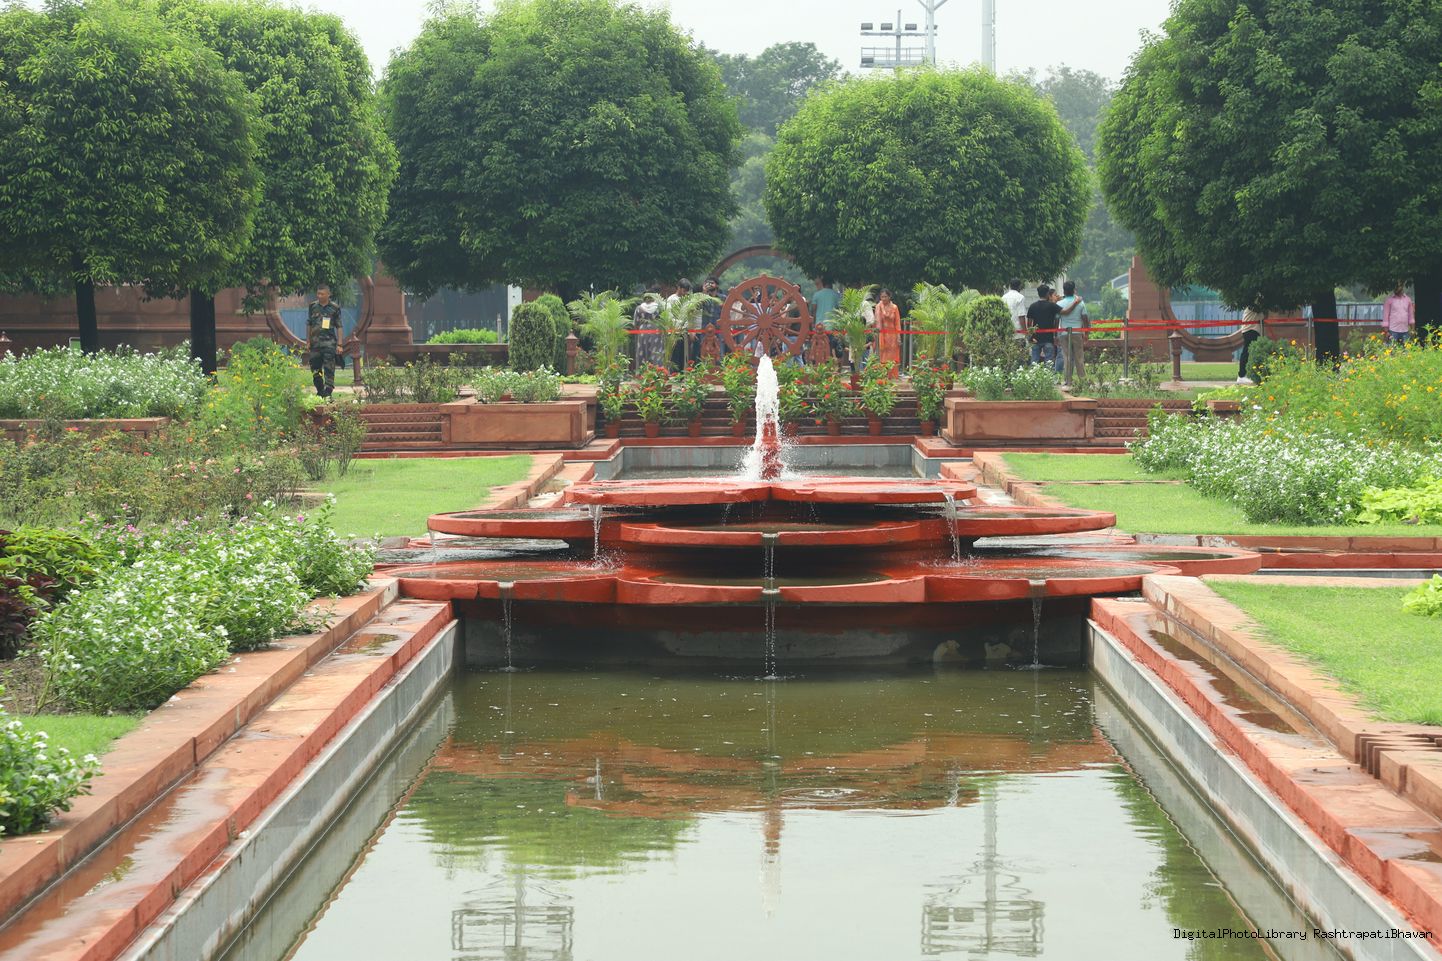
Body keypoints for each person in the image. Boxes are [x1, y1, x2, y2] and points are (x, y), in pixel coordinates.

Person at [307, 283, 343, 398]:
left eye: (322, 294)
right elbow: (309, 324)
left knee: (329, 368)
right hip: (315, 344)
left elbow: (339, 326)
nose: (319, 296)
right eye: (318, 293)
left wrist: (340, 344)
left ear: (328, 294)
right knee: (315, 368)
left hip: (329, 343)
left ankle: (328, 392)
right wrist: (308, 341)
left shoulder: (334, 308)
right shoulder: (312, 306)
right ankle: (320, 390)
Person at [1056, 280, 1089, 388]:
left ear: (1064, 291)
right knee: (1079, 357)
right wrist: (1086, 334)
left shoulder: (1059, 304)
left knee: (1067, 357)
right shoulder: (1080, 303)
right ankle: (1082, 380)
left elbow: (1056, 320)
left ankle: (1068, 381)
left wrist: (1055, 335)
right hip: (1077, 333)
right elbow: (1085, 319)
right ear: (1074, 290)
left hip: (1064, 333)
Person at [1026, 284, 1061, 368]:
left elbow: (1029, 324)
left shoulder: (1032, 306)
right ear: (1048, 294)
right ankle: (1048, 376)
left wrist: (1030, 336)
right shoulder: (1052, 306)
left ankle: (1033, 375)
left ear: (1038, 294)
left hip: (1035, 338)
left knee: (1034, 361)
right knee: (1049, 363)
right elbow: (1057, 320)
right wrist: (1055, 335)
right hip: (1048, 338)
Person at [633, 285, 664, 369]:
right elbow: (664, 321)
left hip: (642, 332)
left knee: (642, 351)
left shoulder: (639, 308)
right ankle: (657, 371)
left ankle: (642, 371)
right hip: (656, 331)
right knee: (656, 352)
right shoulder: (659, 307)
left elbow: (635, 323)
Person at [873, 288, 902, 377]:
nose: (884, 299)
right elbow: (876, 323)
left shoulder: (894, 307)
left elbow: (897, 322)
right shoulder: (878, 307)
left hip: (893, 335)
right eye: (882, 297)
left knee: (892, 356)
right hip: (882, 335)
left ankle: (892, 375)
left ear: (889, 297)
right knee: (883, 354)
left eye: (885, 296)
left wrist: (898, 336)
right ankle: (883, 375)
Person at [1237, 304, 1265, 384]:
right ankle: (1241, 375)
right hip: (1250, 330)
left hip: (1251, 330)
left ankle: (1246, 375)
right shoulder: (1252, 305)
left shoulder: (1252, 305)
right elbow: (1259, 310)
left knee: (1249, 353)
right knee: (1247, 353)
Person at [1002, 278, 1028, 342]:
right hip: (1018, 333)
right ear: (1019, 286)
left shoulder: (1003, 297)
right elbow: (1021, 315)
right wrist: (1025, 331)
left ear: (1010, 286)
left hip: (1007, 331)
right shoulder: (1020, 297)